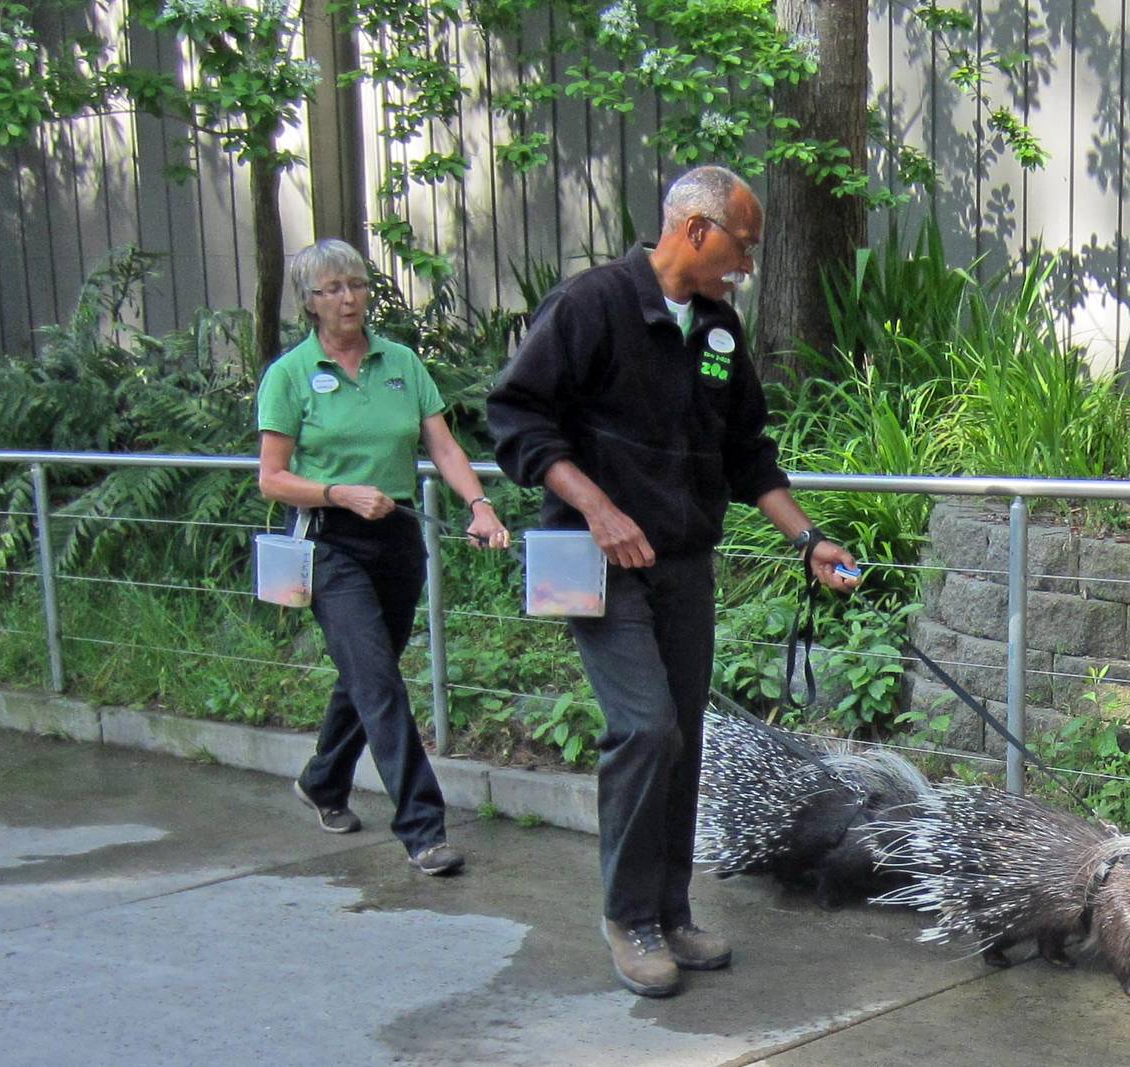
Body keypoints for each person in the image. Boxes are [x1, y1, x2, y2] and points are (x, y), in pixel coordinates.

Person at [487, 165, 859, 997]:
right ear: (695, 229)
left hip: (683, 566)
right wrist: (596, 507)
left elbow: (747, 454)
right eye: (742, 247)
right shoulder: (592, 305)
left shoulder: (720, 330)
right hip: (598, 560)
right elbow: (516, 418)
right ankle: (628, 917)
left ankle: (671, 907)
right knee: (646, 728)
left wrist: (809, 539)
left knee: (682, 737)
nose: (747, 267)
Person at [257, 238, 510, 876]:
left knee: (367, 673)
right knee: (378, 682)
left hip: (396, 536)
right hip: (328, 538)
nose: (349, 299)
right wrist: (337, 491)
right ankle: (423, 828)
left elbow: (445, 447)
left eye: (357, 285)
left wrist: (479, 505)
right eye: (333, 290)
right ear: (310, 304)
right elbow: (273, 478)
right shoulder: (290, 375)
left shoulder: (401, 363)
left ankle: (322, 781)